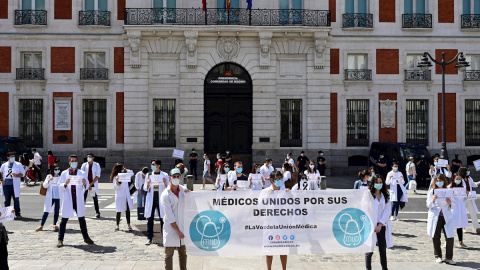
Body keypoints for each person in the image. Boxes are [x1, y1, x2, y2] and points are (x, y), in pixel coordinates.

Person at [57, 154, 94, 247]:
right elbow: (60, 185)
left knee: (81, 219)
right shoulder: (64, 173)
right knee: (64, 219)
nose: (73, 163)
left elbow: (86, 186)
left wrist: (85, 184)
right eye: (72, 161)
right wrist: (65, 184)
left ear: (77, 162)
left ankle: (86, 237)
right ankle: (60, 239)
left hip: (78, 199)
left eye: (75, 161)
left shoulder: (81, 173)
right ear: (69, 162)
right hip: (68, 198)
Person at [161, 168, 191, 270]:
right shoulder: (166, 194)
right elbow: (170, 216)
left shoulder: (183, 189)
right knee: (169, 254)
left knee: (183, 253)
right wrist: (177, 231)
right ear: (170, 178)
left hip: (182, 225)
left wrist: (190, 195)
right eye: (174, 176)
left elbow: (189, 203)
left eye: (178, 176)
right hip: (171, 228)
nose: (176, 178)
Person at [426, 174, 456, 265]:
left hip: (446, 216)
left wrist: (450, 203)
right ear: (435, 181)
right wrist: (433, 200)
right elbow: (428, 205)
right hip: (436, 215)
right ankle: (438, 256)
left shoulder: (449, 191)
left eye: (441, 180)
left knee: (450, 236)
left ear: (444, 181)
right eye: (437, 180)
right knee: (436, 236)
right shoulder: (432, 191)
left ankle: (449, 257)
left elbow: (454, 205)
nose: (439, 182)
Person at [365, 175, 392, 270]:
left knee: (382, 249)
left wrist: (380, 224)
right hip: (370, 224)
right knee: (369, 250)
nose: (379, 184)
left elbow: (387, 211)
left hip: (381, 225)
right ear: (373, 183)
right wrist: (371, 224)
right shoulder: (368, 194)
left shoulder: (385, 195)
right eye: (377, 182)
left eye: (380, 182)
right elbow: (364, 209)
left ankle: (384, 268)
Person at [263, 171, 288, 270]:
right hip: (270, 224)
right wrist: (267, 196)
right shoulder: (265, 191)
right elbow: (259, 207)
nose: (279, 181)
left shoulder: (285, 191)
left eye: (280, 179)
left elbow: (294, 206)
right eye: (277, 179)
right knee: (269, 250)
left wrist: (290, 195)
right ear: (272, 179)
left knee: (283, 249)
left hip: (282, 223)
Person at [144, 159, 169, 245]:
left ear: (159, 166)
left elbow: (168, 188)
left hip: (161, 199)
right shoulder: (149, 175)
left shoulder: (164, 175)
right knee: (150, 219)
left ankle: (164, 238)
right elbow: (145, 188)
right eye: (152, 164)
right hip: (151, 199)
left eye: (154, 164)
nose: (152, 166)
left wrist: (165, 183)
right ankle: (149, 237)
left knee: (163, 219)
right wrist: (147, 184)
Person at [36, 164, 61, 231]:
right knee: (46, 210)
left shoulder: (60, 177)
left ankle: (55, 224)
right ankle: (41, 225)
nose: (57, 170)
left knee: (57, 211)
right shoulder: (49, 176)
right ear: (53, 170)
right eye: (56, 169)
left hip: (58, 196)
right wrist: (49, 180)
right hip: (51, 196)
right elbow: (44, 186)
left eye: (58, 169)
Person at [0, 152, 25, 219]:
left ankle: (18, 214)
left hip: (15, 185)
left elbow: (23, 173)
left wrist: (17, 175)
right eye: (11, 156)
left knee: (16, 199)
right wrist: (2, 181)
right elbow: (0, 173)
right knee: (7, 200)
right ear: (8, 157)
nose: (13, 158)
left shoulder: (18, 164)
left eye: (14, 156)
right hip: (6, 185)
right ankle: (7, 214)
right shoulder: (4, 165)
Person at [111, 163, 135, 231]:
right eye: (122, 168)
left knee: (127, 210)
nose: (123, 170)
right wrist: (117, 181)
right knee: (118, 211)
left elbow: (131, 172)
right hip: (120, 195)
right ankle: (117, 225)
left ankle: (129, 224)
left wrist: (125, 169)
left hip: (126, 195)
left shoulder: (125, 175)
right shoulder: (115, 177)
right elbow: (116, 188)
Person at [448, 173, 469, 247]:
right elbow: (447, 198)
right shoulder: (449, 187)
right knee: (450, 224)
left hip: (461, 208)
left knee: (460, 224)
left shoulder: (463, 188)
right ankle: (447, 241)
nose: (458, 180)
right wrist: (451, 193)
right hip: (453, 208)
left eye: (459, 179)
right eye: (457, 179)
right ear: (453, 179)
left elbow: (465, 199)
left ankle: (460, 241)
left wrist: (467, 195)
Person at [458, 166, 480, 234]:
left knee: (473, 212)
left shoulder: (469, 178)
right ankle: (463, 227)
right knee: (463, 213)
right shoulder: (459, 179)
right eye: (467, 170)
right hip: (462, 198)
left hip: (469, 197)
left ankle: (477, 227)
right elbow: (457, 188)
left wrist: (479, 182)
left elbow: (473, 184)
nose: (468, 172)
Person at [80, 153, 101, 218]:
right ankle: (81, 212)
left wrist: (91, 184)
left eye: (90, 157)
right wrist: (86, 184)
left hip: (93, 184)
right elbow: (81, 175)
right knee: (83, 198)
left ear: (93, 157)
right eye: (87, 157)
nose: (88, 158)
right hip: (85, 184)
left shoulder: (96, 165)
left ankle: (97, 212)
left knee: (95, 199)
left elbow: (97, 176)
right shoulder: (84, 165)